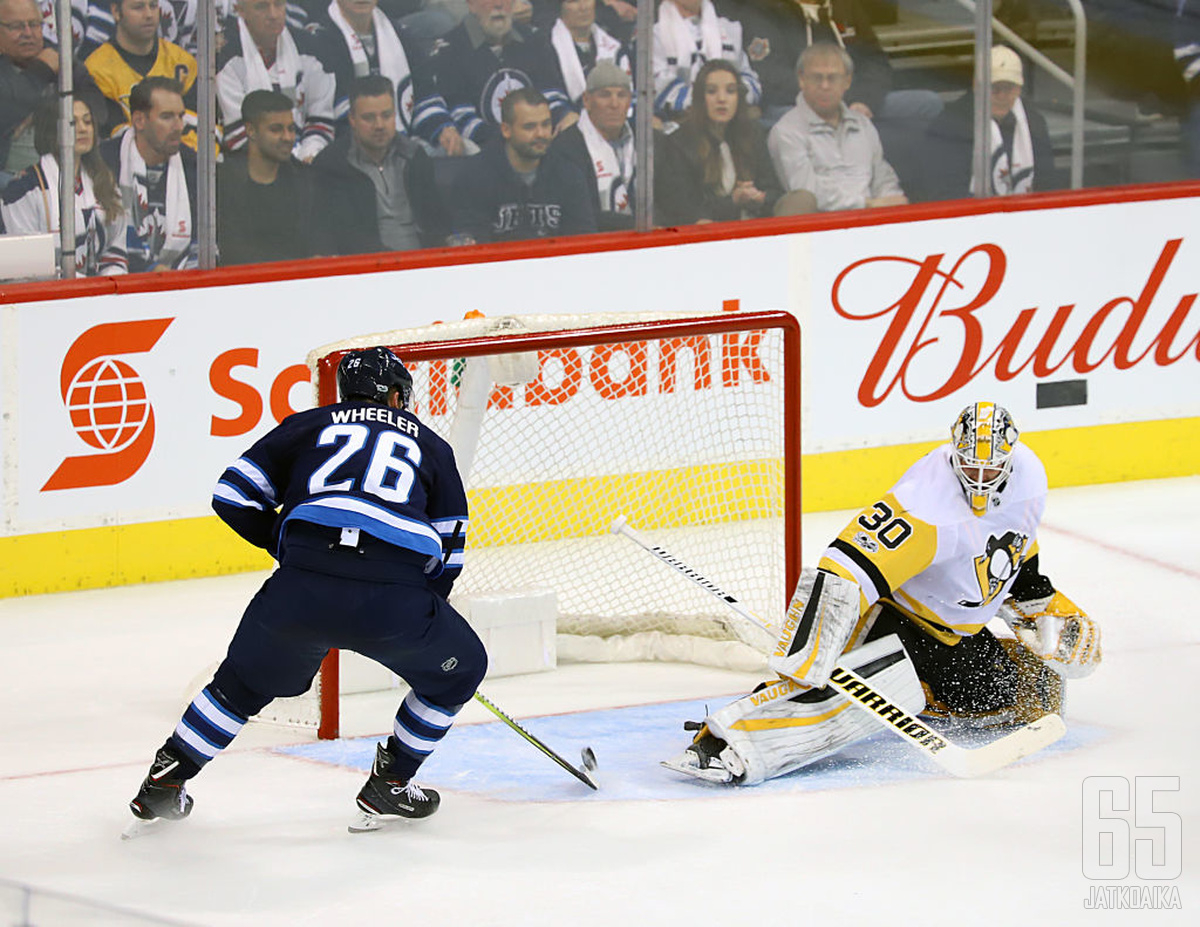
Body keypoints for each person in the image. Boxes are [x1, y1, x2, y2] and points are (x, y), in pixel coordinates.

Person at [126, 347, 487, 833]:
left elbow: (231, 494)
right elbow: (451, 551)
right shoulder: (433, 446)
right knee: (461, 671)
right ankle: (391, 784)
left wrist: (291, 548)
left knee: (240, 686)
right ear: (398, 395)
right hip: (394, 597)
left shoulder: (310, 423)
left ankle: (164, 783)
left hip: (300, 588)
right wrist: (419, 612)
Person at [663, 400, 1102, 786]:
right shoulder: (924, 504)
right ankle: (725, 745)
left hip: (954, 635)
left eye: (991, 469)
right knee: (839, 704)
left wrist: (1045, 610)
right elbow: (840, 572)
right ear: (953, 454)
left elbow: (1013, 549)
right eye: (971, 468)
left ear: (1011, 459)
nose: (981, 480)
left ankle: (922, 688)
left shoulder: (1030, 476)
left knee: (1021, 694)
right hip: (894, 621)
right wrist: (805, 663)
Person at [311, 74, 448, 252]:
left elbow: (437, 221)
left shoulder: (414, 156)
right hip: (368, 269)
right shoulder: (333, 165)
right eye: (368, 118)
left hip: (423, 264)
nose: (379, 125)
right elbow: (342, 236)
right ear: (352, 119)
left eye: (386, 115)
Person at [310, 0, 464, 154]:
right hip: (349, 151)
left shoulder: (402, 35)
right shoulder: (319, 40)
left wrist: (443, 129)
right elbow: (333, 114)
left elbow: (424, 96)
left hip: (404, 141)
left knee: (458, 149)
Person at [767, 42, 905, 212]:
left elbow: (883, 179)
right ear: (801, 80)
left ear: (847, 81)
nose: (825, 86)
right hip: (821, 229)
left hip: (874, 222)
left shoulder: (863, 125)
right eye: (817, 78)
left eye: (832, 78)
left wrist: (892, 203)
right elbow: (807, 195)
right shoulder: (786, 132)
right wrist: (867, 204)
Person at [413, 0, 571, 149]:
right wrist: (512, 141)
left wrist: (564, 116)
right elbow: (460, 115)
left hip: (539, 144)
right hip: (482, 155)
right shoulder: (449, 49)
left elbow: (552, 94)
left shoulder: (534, 39)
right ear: (471, 4)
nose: (498, 4)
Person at [450, 85, 595, 242]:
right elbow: (471, 246)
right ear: (506, 130)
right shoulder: (473, 177)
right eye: (530, 127)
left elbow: (583, 243)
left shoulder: (569, 174)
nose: (540, 134)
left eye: (546, 124)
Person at [918, 46, 1062, 202]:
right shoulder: (948, 126)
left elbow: (1047, 184)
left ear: (1019, 89)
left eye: (1009, 88)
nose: (1002, 96)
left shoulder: (1033, 122)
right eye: (994, 88)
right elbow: (945, 193)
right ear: (976, 86)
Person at [1, 92, 124, 274]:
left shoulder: (105, 180)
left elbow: (115, 252)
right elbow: (23, 272)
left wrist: (106, 287)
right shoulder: (22, 190)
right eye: (72, 123)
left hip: (100, 296)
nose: (83, 129)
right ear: (51, 130)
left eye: (88, 121)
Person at [654, 58, 780, 225]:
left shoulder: (753, 133)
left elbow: (774, 190)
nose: (722, 99)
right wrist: (733, 202)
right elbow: (684, 209)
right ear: (700, 98)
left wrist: (760, 197)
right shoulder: (679, 143)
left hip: (753, 227)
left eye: (730, 91)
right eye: (712, 91)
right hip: (707, 233)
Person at [98, 75, 196, 272]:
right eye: (167, 117)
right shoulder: (103, 162)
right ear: (139, 121)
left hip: (182, 287)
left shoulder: (194, 165)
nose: (179, 127)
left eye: (181, 116)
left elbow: (205, 243)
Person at [217, 0, 337, 161]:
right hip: (248, 169)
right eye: (261, 6)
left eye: (278, 4)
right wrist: (288, 167)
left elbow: (320, 122)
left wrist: (309, 156)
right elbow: (238, 136)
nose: (273, 15)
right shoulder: (223, 56)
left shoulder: (311, 48)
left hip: (306, 166)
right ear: (240, 11)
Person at [217, 89, 319, 265]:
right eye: (276, 129)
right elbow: (231, 251)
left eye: (291, 129)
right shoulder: (223, 183)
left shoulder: (306, 181)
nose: (288, 137)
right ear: (251, 130)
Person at [83, 0, 199, 144]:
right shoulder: (96, 69)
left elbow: (201, 128)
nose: (149, 14)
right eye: (138, 7)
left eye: (153, 6)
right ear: (116, 12)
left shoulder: (183, 63)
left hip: (183, 162)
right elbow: (114, 137)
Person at [546, 58, 632, 231]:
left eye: (621, 95)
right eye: (605, 95)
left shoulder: (646, 140)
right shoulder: (566, 147)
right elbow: (578, 213)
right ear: (586, 100)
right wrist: (638, 224)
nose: (614, 104)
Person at [652, 0, 760, 120]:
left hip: (732, 120)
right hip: (681, 121)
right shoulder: (654, 35)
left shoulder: (729, 29)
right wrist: (713, 101)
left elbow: (751, 82)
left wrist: (728, 100)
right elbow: (659, 90)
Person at [0, 0, 63, 176]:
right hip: (8, 180)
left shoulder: (57, 57)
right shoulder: (48, 63)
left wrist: (42, 112)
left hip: (60, 177)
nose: (28, 33)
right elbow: (6, 108)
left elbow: (97, 106)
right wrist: (41, 70)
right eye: (16, 26)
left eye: (34, 25)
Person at [543, 0, 630, 109]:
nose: (583, 7)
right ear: (560, 6)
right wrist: (564, 114)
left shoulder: (615, 45)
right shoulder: (545, 45)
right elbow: (547, 89)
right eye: (573, 1)